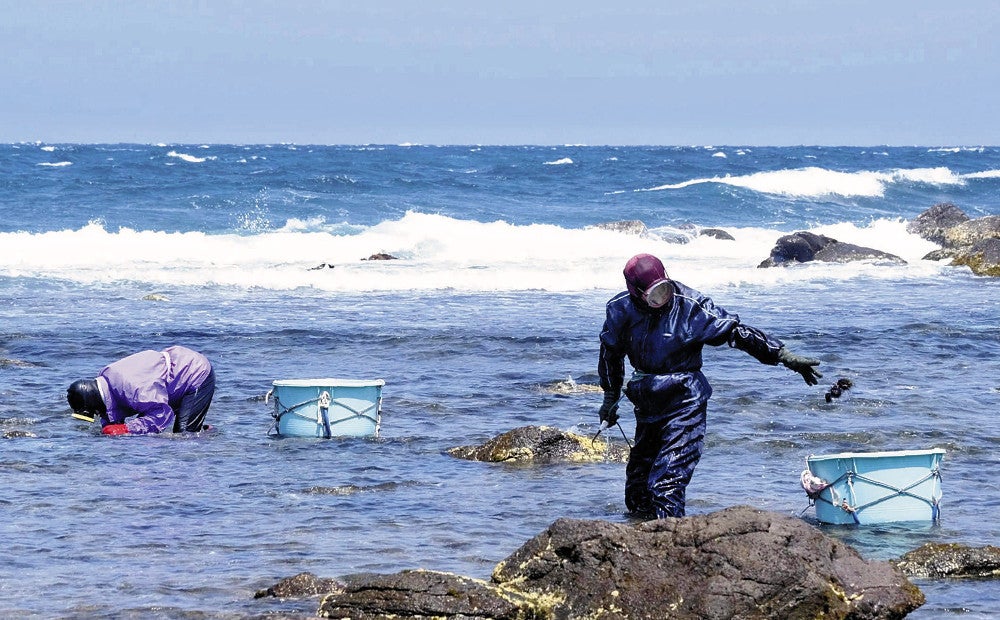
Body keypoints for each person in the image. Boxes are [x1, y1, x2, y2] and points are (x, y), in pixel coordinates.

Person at [598, 254, 821, 519]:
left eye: (665, 289)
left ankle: (671, 547)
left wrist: (782, 355)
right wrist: (610, 398)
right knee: (638, 489)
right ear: (635, 292)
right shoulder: (619, 309)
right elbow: (610, 355)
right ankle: (639, 545)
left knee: (666, 484)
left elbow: (736, 332)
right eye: (654, 295)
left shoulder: (690, 306)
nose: (662, 300)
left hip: (685, 403)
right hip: (647, 403)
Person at [66, 345, 215, 436]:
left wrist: (127, 429)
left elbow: (161, 415)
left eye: (95, 412)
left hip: (194, 372)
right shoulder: (106, 383)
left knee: (184, 436)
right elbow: (111, 415)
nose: (97, 415)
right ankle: (202, 429)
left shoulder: (135, 390)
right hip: (168, 380)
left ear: (94, 402)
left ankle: (209, 436)